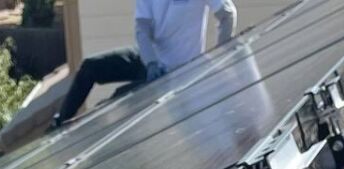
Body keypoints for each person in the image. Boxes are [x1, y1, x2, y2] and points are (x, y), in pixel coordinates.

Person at [54, 0, 238, 126]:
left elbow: (227, 15)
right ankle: (60, 123)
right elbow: (142, 29)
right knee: (90, 67)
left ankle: (88, 125)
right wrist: (151, 63)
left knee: (119, 99)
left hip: (177, 70)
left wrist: (220, 53)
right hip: (150, 60)